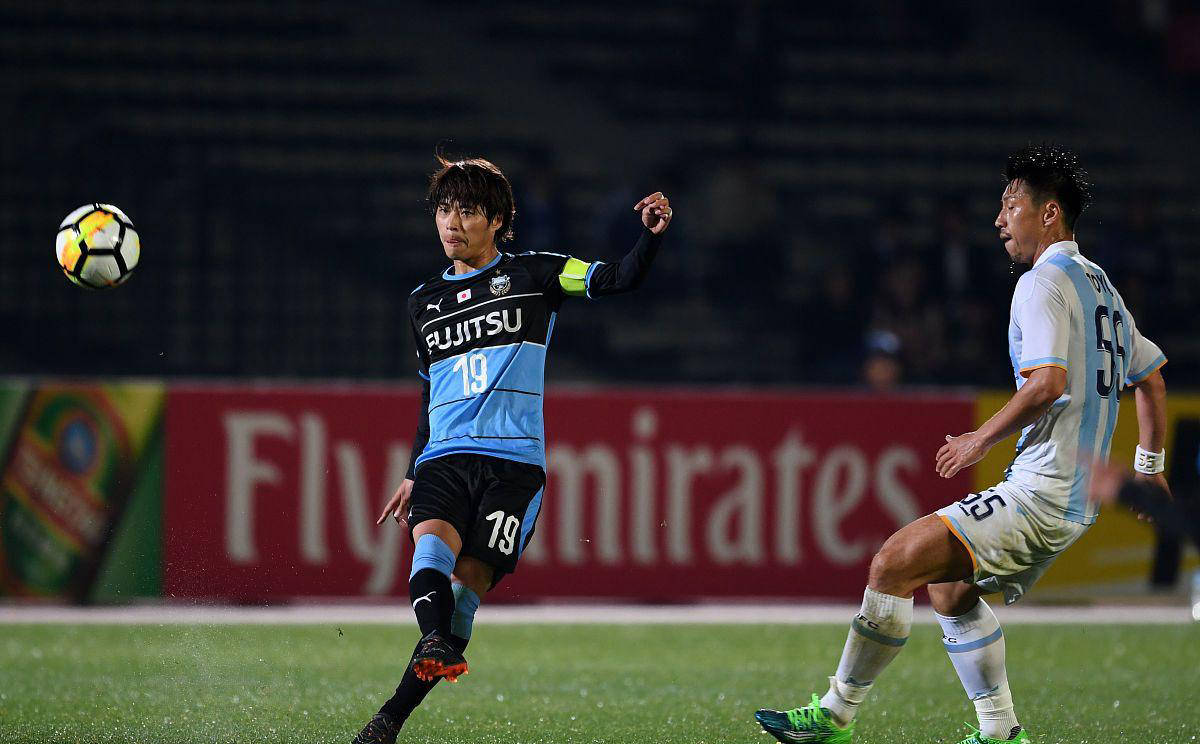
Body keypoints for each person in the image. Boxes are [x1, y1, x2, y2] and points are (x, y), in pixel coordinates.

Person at [754, 144, 1169, 744]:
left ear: (1049, 213)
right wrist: (1149, 469)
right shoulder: (1101, 285)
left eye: (1010, 206)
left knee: (892, 563)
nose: (999, 220)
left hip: (1045, 491)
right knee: (949, 590)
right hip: (1069, 497)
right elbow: (1151, 379)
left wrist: (979, 439)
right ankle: (999, 731)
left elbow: (1048, 384)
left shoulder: (1042, 282)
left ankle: (834, 716)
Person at [352, 154, 673, 744]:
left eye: (467, 211)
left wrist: (648, 238)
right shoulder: (423, 301)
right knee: (431, 552)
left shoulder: (538, 274)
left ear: (498, 219)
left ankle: (395, 709)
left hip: (514, 466)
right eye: (444, 210)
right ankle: (401, 699)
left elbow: (617, 278)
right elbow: (430, 392)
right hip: (445, 456)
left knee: (468, 588)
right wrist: (411, 470)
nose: (451, 223)